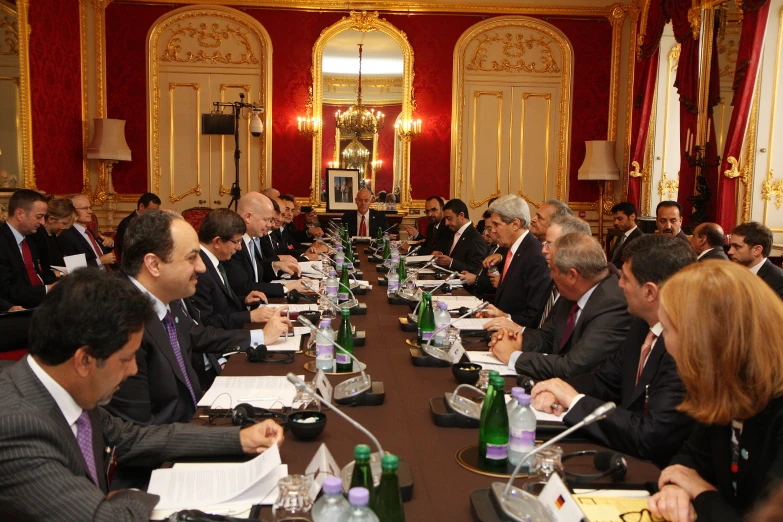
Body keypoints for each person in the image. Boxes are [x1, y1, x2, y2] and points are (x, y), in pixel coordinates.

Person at [0, 269, 284, 520]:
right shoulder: (17, 428)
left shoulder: (66, 388)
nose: (134, 368)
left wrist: (239, 438)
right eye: (125, 359)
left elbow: (132, 437)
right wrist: (131, 496)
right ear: (84, 361)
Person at [107, 210, 290, 428]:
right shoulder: (119, 322)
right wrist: (233, 440)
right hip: (172, 445)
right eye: (191, 257)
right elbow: (136, 434)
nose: (202, 267)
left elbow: (196, 335)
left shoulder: (165, 297)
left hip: (196, 415)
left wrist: (259, 336)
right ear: (154, 265)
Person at [531, 235, 695, 467]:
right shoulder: (641, 324)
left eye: (625, 278)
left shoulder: (684, 346)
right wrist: (560, 391)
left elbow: (650, 435)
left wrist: (574, 399)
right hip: (624, 451)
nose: (618, 283)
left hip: (656, 470)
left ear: (649, 292)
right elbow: (605, 379)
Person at [648, 261, 783, 522]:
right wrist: (677, 488)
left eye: (667, 329)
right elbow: (690, 457)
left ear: (705, 341)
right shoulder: (730, 385)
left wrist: (700, 491)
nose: (664, 342)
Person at [489, 233, 632, 381]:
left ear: (572, 276)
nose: (550, 276)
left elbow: (573, 367)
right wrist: (518, 341)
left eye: (552, 269)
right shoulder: (574, 291)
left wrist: (514, 357)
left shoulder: (612, 305)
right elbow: (547, 337)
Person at [469, 195, 551, 327]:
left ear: (515, 224)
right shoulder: (512, 248)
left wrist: (504, 317)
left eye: (496, 224)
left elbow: (533, 315)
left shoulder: (536, 256)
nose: (493, 231)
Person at [194, 208, 282, 331]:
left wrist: (244, 301)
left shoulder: (215, 259)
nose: (239, 247)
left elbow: (221, 305)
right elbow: (206, 322)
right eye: (236, 242)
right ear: (217, 242)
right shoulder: (199, 270)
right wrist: (249, 316)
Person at [224, 192, 303, 300]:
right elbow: (243, 287)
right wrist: (286, 287)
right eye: (266, 220)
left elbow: (255, 273)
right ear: (248, 217)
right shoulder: (233, 244)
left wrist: (276, 265)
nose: (270, 225)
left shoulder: (251, 240)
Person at [0, 189, 58, 308]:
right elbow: (6, 291)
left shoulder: (31, 238)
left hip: (41, 303)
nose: (42, 222)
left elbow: (37, 276)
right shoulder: (2, 242)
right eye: (39, 216)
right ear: (20, 214)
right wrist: (48, 289)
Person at [58, 194, 116, 269]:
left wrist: (110, 243)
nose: (90, 211)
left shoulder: (89, 232)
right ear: (72, 211)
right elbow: (74, 268)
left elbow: (96, 252)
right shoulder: (67, 235)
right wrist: (100, 261)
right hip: (92, 278)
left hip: (111, 274)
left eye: (90, 207)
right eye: (85, 208)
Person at [728, 221, 783, 299]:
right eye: (730, 246)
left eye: (737, 247)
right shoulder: (730, 273)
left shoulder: (779, 281)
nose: (730, 251)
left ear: (757, 250)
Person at [432, 198, 487, 273]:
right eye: (445, 219)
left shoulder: (475, 238)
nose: (446, 223)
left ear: (461, 215)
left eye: (449, 218)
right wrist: (441, 255)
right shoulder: (452, 232)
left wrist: (451, 262)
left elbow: (477, 270)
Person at [29, 197, 75, 273]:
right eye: (64, 223)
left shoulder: (54, 235)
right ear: (51, 219)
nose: (65, 228)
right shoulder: (38, 236)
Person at [115, 192, 161, 261]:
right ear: (141, 206)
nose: (154, 214)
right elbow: (129, 250)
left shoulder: (154, 221)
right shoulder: (126, 224)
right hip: (134, 263)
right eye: (152, 211)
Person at [609, 201, 643, 268]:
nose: (616, 222)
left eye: (620, 219)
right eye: (615, 219)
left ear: (632, 217)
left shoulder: (640, 239)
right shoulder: (621, 236)